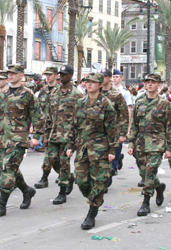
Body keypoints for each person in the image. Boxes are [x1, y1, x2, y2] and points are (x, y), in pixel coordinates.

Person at [0, 64, 44, 218]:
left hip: (18, 139)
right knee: (11, 169)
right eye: (9, 73)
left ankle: (1, 205)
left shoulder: (27, 94)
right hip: (2, 139)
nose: (10, 75)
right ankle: (27, 191)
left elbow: (38, 115)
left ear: (21, 75)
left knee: (8, 169)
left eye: (13, 73)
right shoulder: (3, 94)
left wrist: (36, 136)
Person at [66, 72, 117, 230]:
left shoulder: (106, 104)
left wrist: (112, 150)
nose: (89, 84)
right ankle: (95, 198)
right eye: (87, 82)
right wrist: (70, 145)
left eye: (93, 82)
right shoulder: (80, 102)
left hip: (100, 149)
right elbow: (74, 125)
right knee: (80, 180)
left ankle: (92, 212)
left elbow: (112, 129)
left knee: (98, 182)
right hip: (83, 148)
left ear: (100, 85)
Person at [128, 73, 171, 216]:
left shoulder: (165, 104)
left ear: (158, 85)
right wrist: (131, 144)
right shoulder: (139, 101)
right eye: (147, 82)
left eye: (153, 82)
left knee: (149, 172)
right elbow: (134, 124)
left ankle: (146, 203)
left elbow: (170, 127)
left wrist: (170, 148)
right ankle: (159, 187)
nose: (149, 84)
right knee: (144, 172)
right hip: (140, 143)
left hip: (157, 143)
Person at [43, 65, 82, 204]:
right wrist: (45, 135)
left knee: (64, 163)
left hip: (68, 136)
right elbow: (48, 115)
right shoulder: (53, 93)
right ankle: (68, 178)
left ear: (71, 76)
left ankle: (62, 191)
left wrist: (76, 139)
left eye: (65, 74)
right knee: (52, 159)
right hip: (54, 134)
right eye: (61, 74)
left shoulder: (77, 95)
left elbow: (80, 118)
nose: (62, 76)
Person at [100, 68, 129, 192]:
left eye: (105, 76)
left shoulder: (117, 95)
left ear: (109, 78)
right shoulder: (95, 93)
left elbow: (124, 114)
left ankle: (107, 176)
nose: (102, 78)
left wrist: (123, 133)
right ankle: (103, 178)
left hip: (113, 132)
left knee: (109, 158)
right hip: (98, 132)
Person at [34, 67, 60, 189]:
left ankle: (63, 174)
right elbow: (38, 111)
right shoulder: (43, 91)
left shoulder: (62, 90)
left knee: (56, 155)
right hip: (46, 127)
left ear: (56, 75)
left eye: (50, 74)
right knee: (50, 153)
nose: (48, 77)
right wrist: (35, 127)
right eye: (46, 75)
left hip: (59, 128)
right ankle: (45, 177)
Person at [111, 69, 132, 172]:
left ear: (121, 78)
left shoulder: (125, 92)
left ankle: (114, 166)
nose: (115, 79)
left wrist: (128, 128)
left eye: (117, 77)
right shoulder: (108, 90)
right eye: (113, 77)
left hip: (120, 122)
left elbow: (128, 110)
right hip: (110, 122)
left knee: (118, 144)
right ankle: (117, 159)